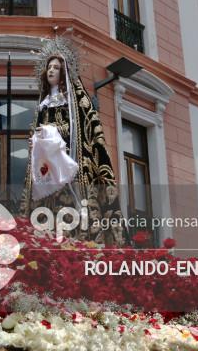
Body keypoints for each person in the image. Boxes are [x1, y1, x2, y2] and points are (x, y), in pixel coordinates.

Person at [19, 51, 127, 246]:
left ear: (64, 73)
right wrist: (35, 142)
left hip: (66, 161)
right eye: (49, 67)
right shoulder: (42, 104)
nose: (51, 70)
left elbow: (79, 130)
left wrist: (49, 132)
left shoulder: (73, 101)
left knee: (68, 211)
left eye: (56, 68)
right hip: (46, 167)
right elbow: (38, 131)